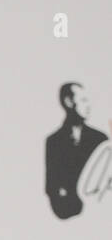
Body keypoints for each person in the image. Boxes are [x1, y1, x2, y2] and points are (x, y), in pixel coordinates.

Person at [45, 81, 108, 220]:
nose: (88, 106)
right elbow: (51, 185)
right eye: (83, 100)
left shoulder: (100, 139)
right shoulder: (54, 141)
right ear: (69, 102)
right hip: (65, 215)